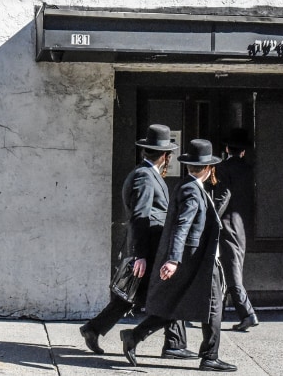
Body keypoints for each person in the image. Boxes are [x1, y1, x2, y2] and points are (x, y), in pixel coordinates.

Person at [120, 139, 237, 372]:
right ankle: (210, 357)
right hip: (196, 261)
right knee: (213, 307)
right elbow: (181, 226)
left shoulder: (187, 186)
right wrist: (173, 259)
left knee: (177, 304)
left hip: (192, 259)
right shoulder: (192, 191)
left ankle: (134, 336)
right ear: (207, 168)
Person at [79, 124, 195, 360]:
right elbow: (139, 216)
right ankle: (171, 343)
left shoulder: (146, 174)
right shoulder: (144, 176)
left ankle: (94, 328)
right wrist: (139, 254)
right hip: (149, 249)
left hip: (151, 248)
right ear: (164, 155)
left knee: (129, 296)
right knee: (169, 293)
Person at [214, 128, 258, 331]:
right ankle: (221, 310)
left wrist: (212, 217)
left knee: (231, 269)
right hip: (241, 224)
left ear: (226, 149)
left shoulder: (222, 168)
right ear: (243, 151)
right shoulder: (249, 169)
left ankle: (247, 313)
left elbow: (223, 195)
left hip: (227, 223)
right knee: (232, 265)